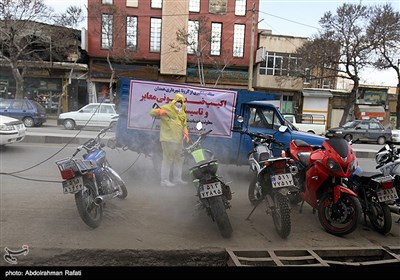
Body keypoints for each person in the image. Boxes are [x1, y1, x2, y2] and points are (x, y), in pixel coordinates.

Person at [150, 93, 190, 187]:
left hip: (179, 140)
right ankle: (164, 181)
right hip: (167, 139)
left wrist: (185, 132)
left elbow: (184, 124)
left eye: (181, 101)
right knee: (167, 160)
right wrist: (159, 112)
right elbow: (151, 112)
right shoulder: (166, 107)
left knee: (179, 159)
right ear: (174, 101)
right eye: (178, 101)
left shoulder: (182, 111)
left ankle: (177, 179)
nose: (179, 103)